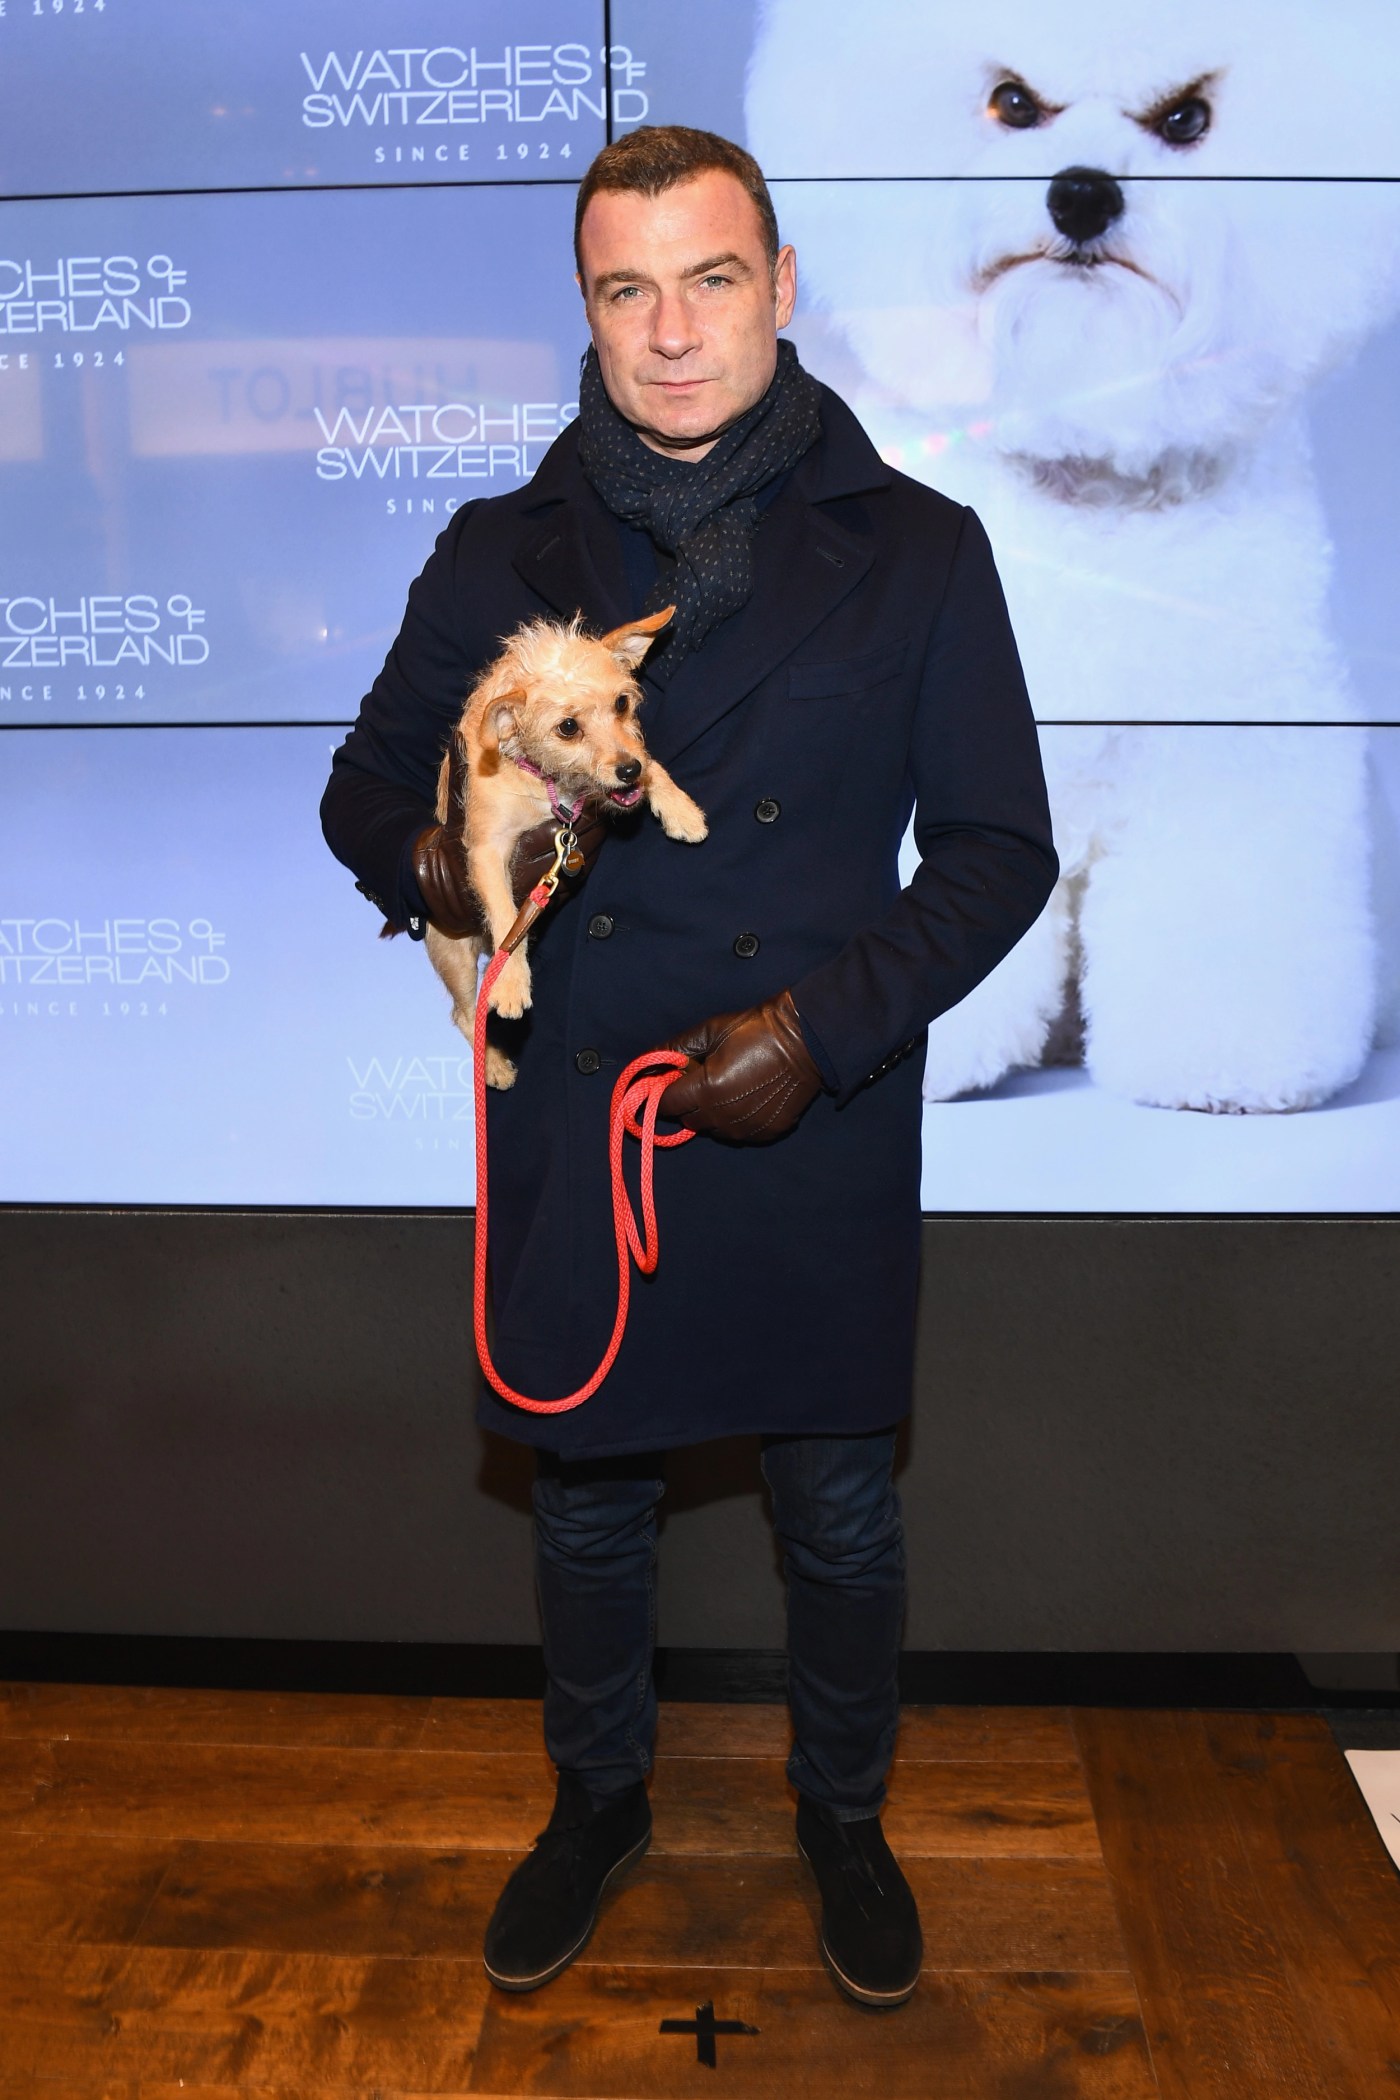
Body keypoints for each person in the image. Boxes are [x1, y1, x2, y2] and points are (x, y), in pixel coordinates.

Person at [321, 125, 1057, 2010]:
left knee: (842, 1510)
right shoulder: (499, 551)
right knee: (585, 1499)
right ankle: (597, 1805)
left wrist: (816, 1034)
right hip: (588, 1108)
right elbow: (360, 788)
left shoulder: (919, 549)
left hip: (809, 1105)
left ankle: (845, 1817)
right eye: (625, 291)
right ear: (586, 309)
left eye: (710, 281)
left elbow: (996, 854)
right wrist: (438, 859)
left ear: (781, 287)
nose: (669, 333)